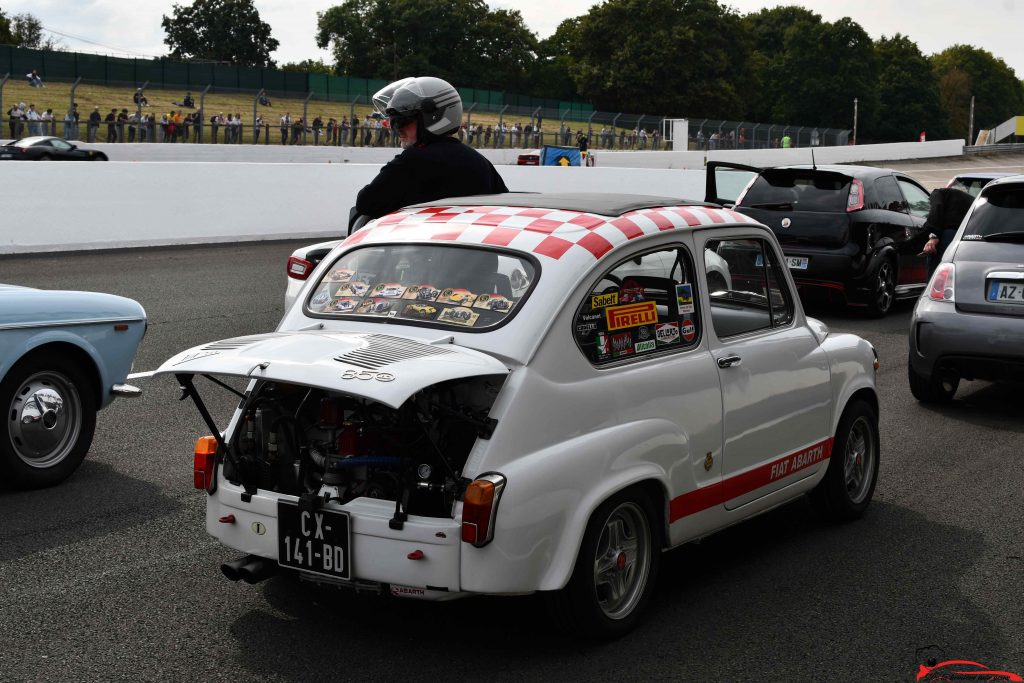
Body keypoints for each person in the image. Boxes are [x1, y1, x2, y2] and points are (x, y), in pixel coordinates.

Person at [355, 76, 508, 223]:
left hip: (426, 246)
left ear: (433, 118)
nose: (397, 129)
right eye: (393, 122)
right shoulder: (480, 161)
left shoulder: (414, 160)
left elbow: (366, 202)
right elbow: (504, 206)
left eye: (402, 121)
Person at [922, 187, 975, 277]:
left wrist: (934, 235)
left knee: (936, 271)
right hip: (968, 239)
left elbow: (937, 207)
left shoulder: (937, 192)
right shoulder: (973, 200)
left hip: (947, 236)